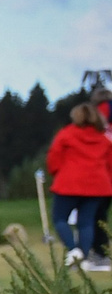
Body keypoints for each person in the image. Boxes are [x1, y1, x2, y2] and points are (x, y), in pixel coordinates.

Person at [46, 98, 112, 272]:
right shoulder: (104, 138)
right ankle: (83, 257)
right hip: (97, 185)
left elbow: (54, 157)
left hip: (69, 183)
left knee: (60, 219)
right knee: (86, 222)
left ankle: (73, 250)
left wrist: (57, 173)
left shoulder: (66, 134)